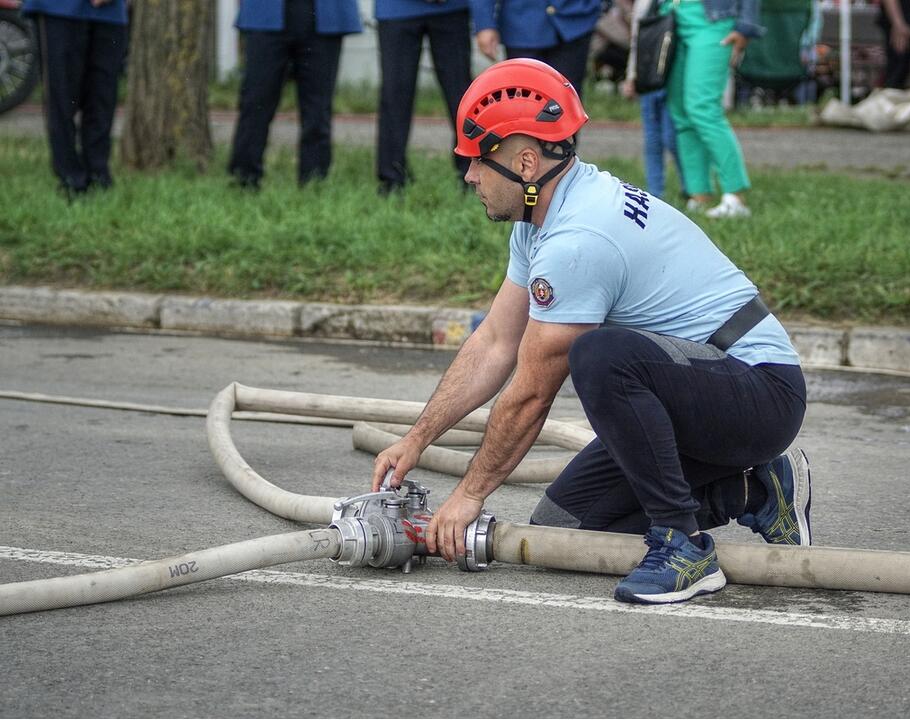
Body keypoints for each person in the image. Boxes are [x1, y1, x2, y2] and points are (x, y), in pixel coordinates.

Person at [371, 59, 811, 606]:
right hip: (705, 391)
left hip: (760, 393)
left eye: (478, 161)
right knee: (565, 530)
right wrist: (417, 439)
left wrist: (468, 496)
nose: (469, 176)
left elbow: (532, 389)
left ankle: (684, 546)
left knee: (600, 355)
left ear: (526, 162)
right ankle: (752, 489)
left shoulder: (578, 239)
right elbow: (495, 343)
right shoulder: (543, 216)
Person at [227, 0, 362, 189]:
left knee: (318, 109)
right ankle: (244, 179)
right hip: (265, 14)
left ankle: (314, 182)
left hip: (323, 15)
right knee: (256, 102)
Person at [664, 0, 762, 219]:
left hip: (713, 19)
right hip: (672, 16)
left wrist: (745, 25)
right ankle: (699, 195)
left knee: (702, 108)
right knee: (680, 113)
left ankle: (735, 196)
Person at [22, 0, 128, 197]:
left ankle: (98, 175)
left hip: (110, 12)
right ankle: (72, 180)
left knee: (102, 97)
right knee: (61, 97)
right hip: (58, 8)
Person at [374, 0, 472, 195]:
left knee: (462, 95)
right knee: (395, 94)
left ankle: (473, 173)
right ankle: (392, 179)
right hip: (396, 9)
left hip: (451, 7)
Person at [468, 0, 602, 96]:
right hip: (522, 24)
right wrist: (484, 23)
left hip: (575, 18)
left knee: (567, 100)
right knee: (525, 102)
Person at [622, 0, 684, 199]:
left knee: (671, 136)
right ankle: (655, 193)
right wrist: (632, 75)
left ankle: (690, 188)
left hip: (673, 78)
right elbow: (637, 40)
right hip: (648, 76)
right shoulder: (644, 4)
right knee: (652, 139)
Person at [877, 0, 910, 89]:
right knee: (896, 72)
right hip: (901, 25)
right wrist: (898, 24)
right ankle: (888, 97)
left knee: (903, 72)